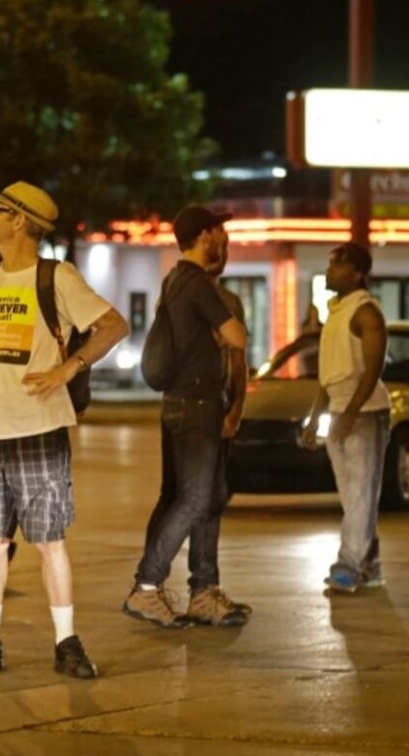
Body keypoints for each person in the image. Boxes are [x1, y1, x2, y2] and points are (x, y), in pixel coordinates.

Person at [0, 181, 129, 679]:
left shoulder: (57, 277)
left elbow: (114, 325)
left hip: (39, 427)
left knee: (50, 540)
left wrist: (68, 368)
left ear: (20, 221)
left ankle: (66, 642)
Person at [129, 206, 249, 629]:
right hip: (196, 404)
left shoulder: (175, 280)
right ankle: (146, 586)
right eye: (218, 231)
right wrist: (222, 334)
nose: (223, 238)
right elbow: (238, 337)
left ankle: (204, 591)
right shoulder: (197, 282)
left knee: (204, 496)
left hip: (184, 402)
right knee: (195, 498)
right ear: (203, 236)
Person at [301, 242, 390, 594]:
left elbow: (374, 368)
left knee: (360, 495)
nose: (329, 271)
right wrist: (315, 418)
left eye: (337, 265)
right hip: (341, 411)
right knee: (354, 497)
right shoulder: (336, 313)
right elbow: (329, 376)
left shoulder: (366, 312)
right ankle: (370, 566)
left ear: (357, 273)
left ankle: (348, 567)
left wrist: (351, 413)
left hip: (365, 413)